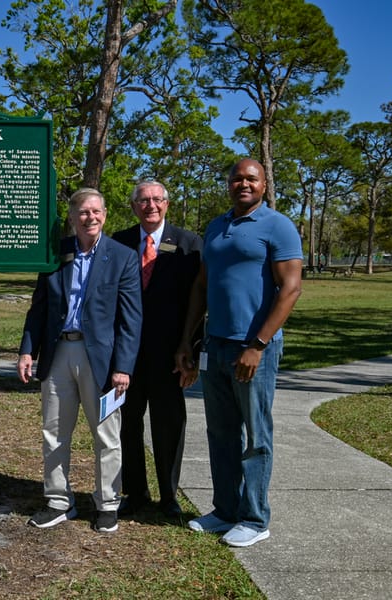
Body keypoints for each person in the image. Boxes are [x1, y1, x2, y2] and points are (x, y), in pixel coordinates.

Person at [175, 158, 303, 548]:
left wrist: (258, 345)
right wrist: (188, 340)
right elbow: (201, 286)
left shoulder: (277, 225)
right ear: (228, 184)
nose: (243, 184)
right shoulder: (216, 226)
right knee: (220, 431)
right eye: (236, 179)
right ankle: (226, 510)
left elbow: (291, 288)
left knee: (256, 435)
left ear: (263, 184)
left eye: (251, 178)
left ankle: (254, 517)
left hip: (254, 350)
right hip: (216, 343)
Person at [17, 187, 142, 534]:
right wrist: (28, 349)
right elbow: (39, 307)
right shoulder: (56, 253)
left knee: (106, 434)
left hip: (101, 359)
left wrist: (123, 367)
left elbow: (131, 319)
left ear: (105, 215)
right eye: (83, 212)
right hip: (59, 352)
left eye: (96, 211)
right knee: (54, 430)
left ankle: (107, 503)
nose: (91, 218)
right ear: (71, 218)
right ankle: (58, 500)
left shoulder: (122, 257)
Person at [112, 181, 202, 519]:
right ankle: (135, 494)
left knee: (168, 425)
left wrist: (192, 351)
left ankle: (169, 497)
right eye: (143, 200)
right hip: (126, 356)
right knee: (128, 425)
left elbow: (200, 301)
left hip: (171, 355)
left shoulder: (189, 244)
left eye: (157, 199)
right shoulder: (117, 242)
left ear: (167, 204)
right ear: (134, 206)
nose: (150, 205)